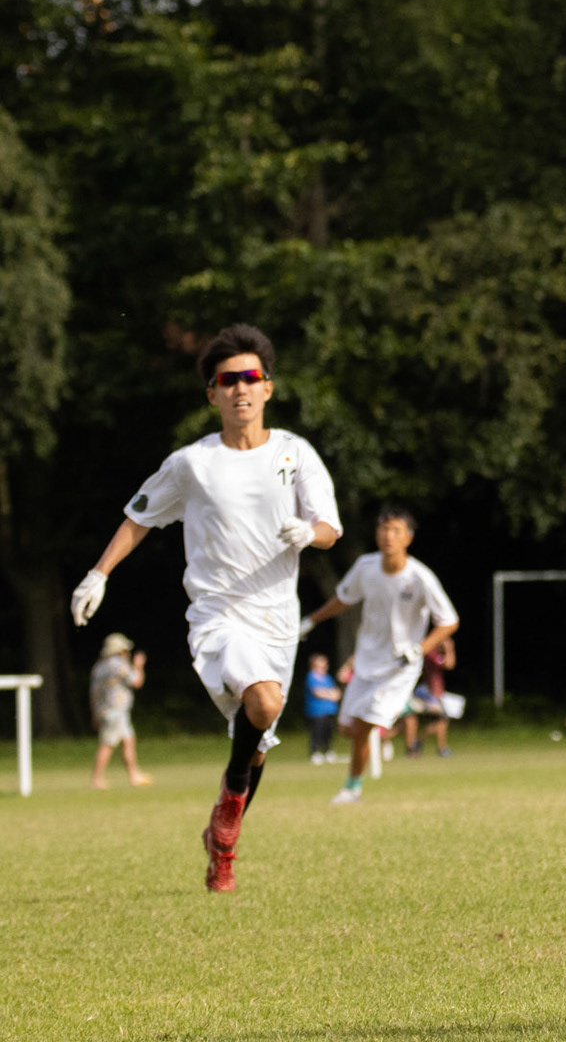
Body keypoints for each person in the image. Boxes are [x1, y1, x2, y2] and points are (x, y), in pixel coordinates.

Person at [69, 323, 340, 891]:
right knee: (264, 702)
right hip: (218, 615)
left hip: (276, 619)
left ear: (268, 387)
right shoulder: (192, 463)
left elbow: (330, 528)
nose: (241, 388)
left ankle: (223, 841)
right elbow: (139, 517)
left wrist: (307, 533)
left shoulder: (295, 453)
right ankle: (230, 808)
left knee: (257, 739)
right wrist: (98, 573)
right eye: (228, 380)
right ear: (212, 394)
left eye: (251, 377)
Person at [302, 506, 460, 804]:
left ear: (408, 538)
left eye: (396, 530)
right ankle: (398, 713)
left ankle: (352, 788)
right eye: (384, 529)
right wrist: (311, 621)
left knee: (363, 724)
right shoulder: (365, 566)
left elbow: (449, 621)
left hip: (400, 667)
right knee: (349, 729)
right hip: (366, 662)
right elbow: (343, 599)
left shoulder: (420, 577)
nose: (388, 536)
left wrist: (419, 649)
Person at [89, 634, 152, 789]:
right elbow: (136, 681)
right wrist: (138, 665)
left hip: (105, 709)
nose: (127, 653)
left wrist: (94, 713)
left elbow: (94, 693)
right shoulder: (117, 664)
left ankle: (134, 775)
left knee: (128, 741)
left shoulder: (100, 666)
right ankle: (97, 779)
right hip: (116, 710)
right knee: (107, 744)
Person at [403, 638, 455, 757]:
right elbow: (449, 664)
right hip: (428, 694)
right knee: (441, 718)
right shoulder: (431, 654)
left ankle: (428, 744)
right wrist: (449, 649)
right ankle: (429, 745)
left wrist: (449, 650)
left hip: (434, 694)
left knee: (442, 719)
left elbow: (451, 663)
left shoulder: (436, 654)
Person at [304, 653, 341, 764]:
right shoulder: (311, 677)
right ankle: (315, 752)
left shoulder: (327, 678)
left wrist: (327, 693)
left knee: (328, 732)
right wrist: (329, 694)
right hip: (317, 711)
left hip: (329, 710)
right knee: (317, 732)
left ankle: (327, 751)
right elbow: (317, 692)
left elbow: (336, 693)